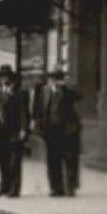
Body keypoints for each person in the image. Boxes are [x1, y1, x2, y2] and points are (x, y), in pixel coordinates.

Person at [37, 67, 83, 197]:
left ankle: (70, 187)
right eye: (51, 78)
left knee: (69, 159)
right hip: (51, 130)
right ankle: (56, 188)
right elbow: (39, 110)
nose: (53, 81)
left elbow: (79, 96)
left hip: (67, 130)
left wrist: (65, 86)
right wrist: (40, 128)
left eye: (56, 78)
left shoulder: (68, 90)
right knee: (53, 160)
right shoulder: (44, 91)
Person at [0, 65, 29, 198]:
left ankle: (14, 189)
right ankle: (3, 187)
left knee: (14, 161)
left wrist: (23, 129)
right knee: (2, 160)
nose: (4, 79)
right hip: (0, 131)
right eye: (2, 77)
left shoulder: (19, 93)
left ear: (11, 79)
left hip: (14, 131)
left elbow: (24, 114)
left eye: (7, 77)